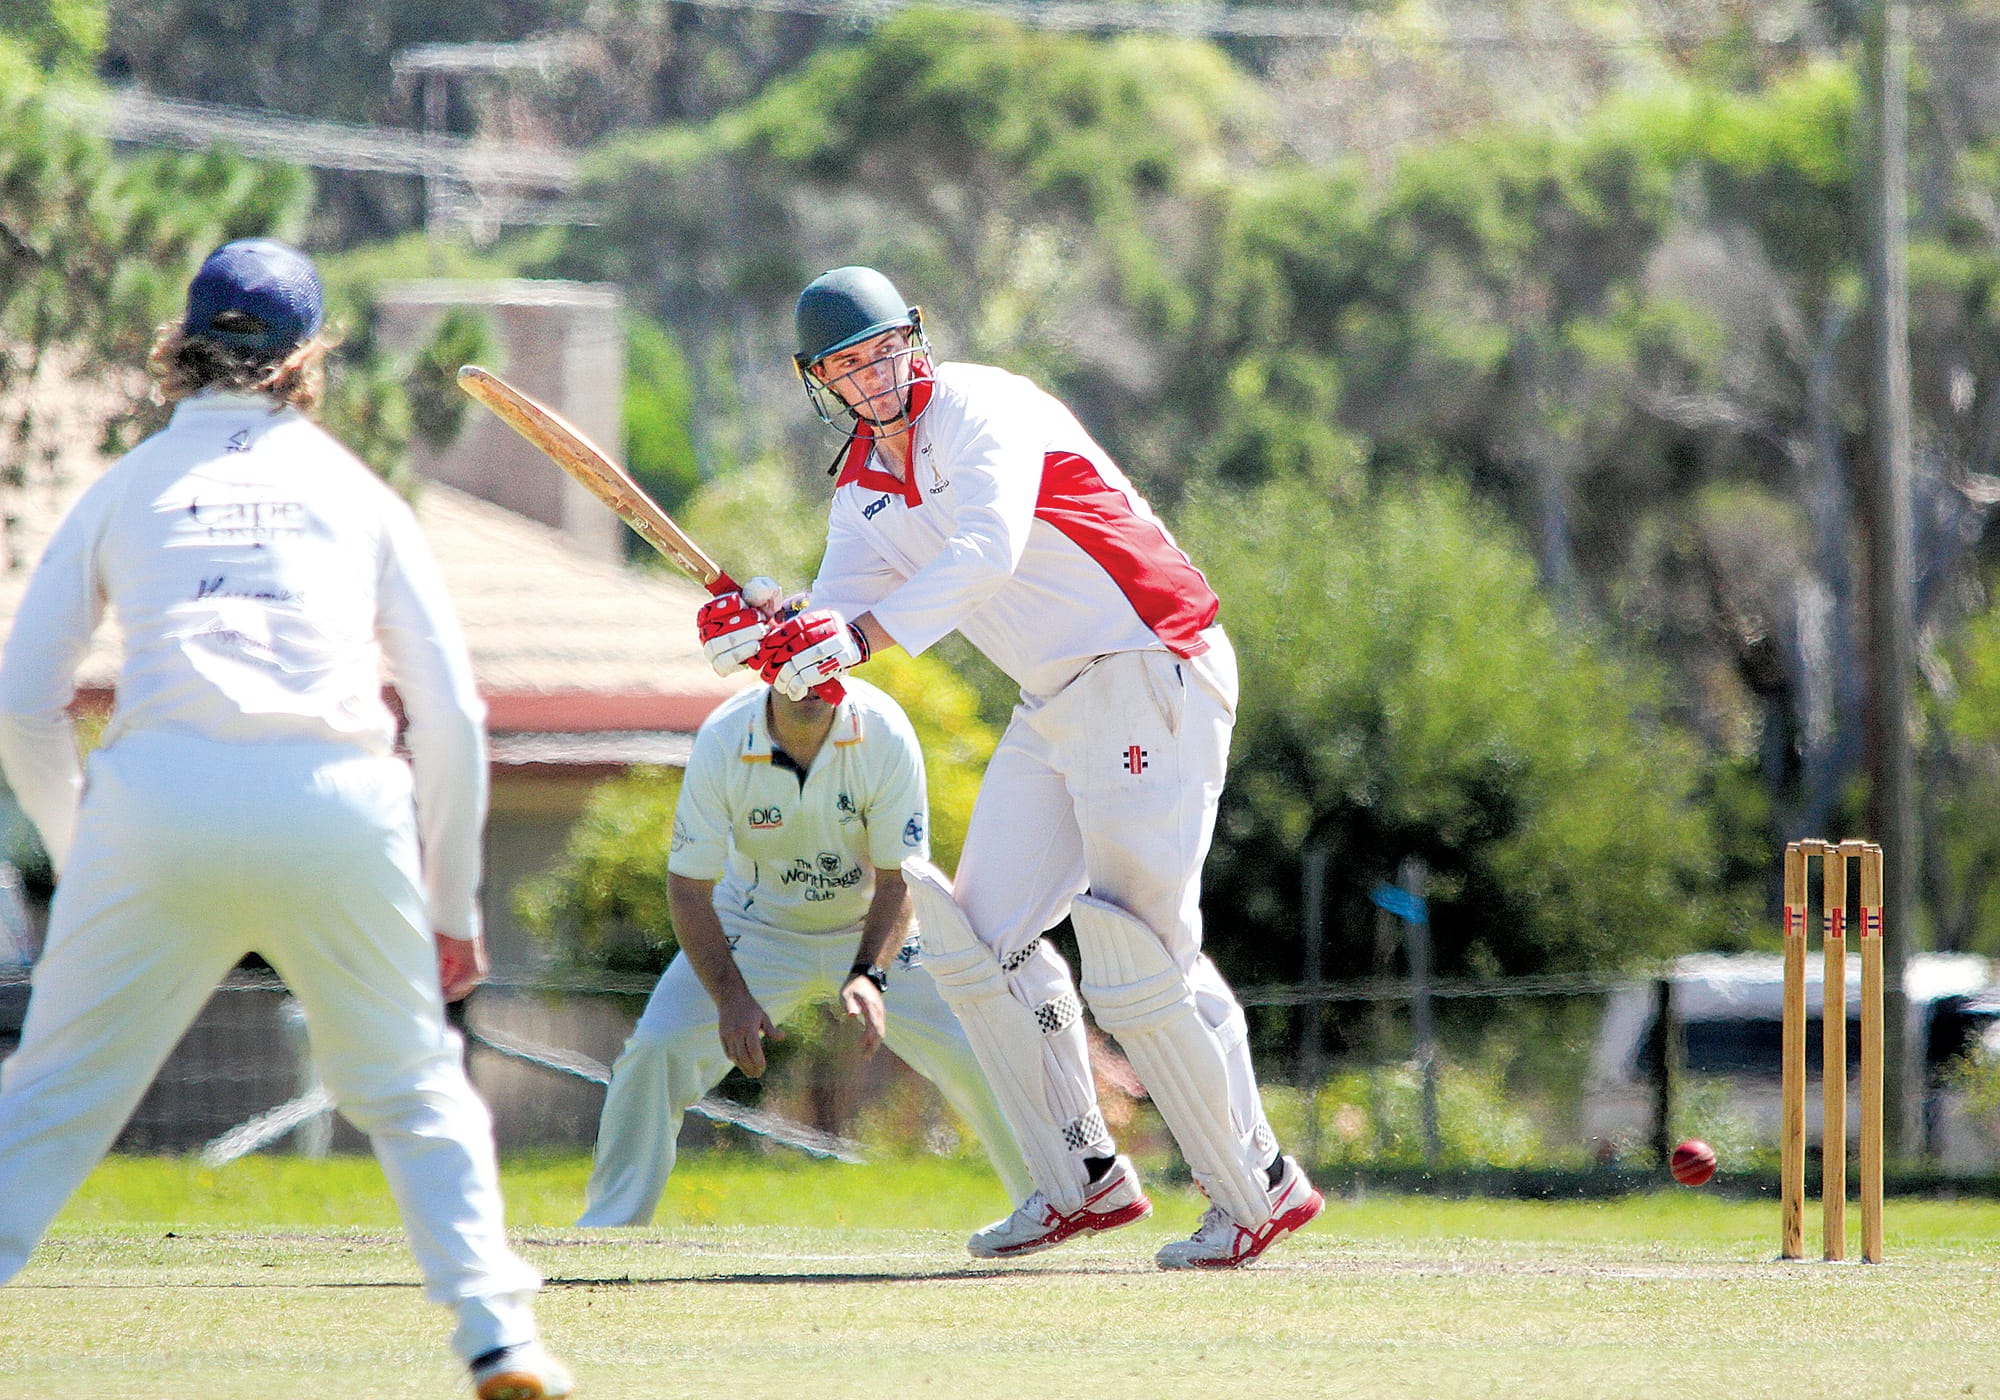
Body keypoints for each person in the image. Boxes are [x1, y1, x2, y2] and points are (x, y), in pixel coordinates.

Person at [0, 239, 572, 1399]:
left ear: (181, 345)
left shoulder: (127, 488)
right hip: (335, 802)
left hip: (154, 801)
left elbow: (23, 701)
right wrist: (451, 901)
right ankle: (496, 1337)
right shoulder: (353, 491)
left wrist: (86, 856)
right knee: (415, 1090)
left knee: (51, 1100)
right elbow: (452, 715)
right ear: (308, 359)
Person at [699, 265, 1324, 1269]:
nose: (871, 377)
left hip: (1147, 661)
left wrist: (845, 636)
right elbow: (835, 618)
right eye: (846, 367)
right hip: (1055, 699)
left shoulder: (988, 409)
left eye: (880, 351)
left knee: (1136, 949)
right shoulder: (861, 490)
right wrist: (776, 632)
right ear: (820, 381)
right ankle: (1078, 1174)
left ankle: (1255, 1183)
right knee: (971, 940)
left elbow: (985, 549)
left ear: (912, 339)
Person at [578, 672, 1033, 1226]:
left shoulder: (884, 731)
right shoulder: (724, 736)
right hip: (757, 928)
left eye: (825, 668)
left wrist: (870, 974)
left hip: (874, 927)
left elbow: (899, 880)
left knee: (982, 1049)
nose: (812, 684)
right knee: (655, 1050)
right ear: (769, 673)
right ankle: (611, 1225)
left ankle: (1052, 1205)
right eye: (794, 669)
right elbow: (688, 887)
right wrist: (731, 999)